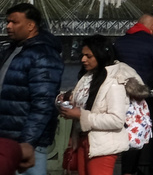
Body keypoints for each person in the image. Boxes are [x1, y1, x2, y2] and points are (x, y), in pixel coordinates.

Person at [56, 35, 146, 175]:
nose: (83, 59)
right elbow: (81, 101)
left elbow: (116, 120)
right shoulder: (88, 77)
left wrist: (81, 115)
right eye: (82, 55)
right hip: (83, 140)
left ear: (101, 55)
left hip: (102, 145)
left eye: (88, 56)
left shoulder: (114, 82)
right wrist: (64, 100)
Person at [0, 4, 63, 175]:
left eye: (14, 22)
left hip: (27, 143)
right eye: (7, 22)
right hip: (8, 138)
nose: (8, 26)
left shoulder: (43, 55)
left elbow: (43, 103)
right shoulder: (13, 50)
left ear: (31, 26)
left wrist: (27, 142)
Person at [118, 13, 153, 175]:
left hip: (123, 96)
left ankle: (128, 170)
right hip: (148, 97)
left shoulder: (120, 42)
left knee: (130, 134)